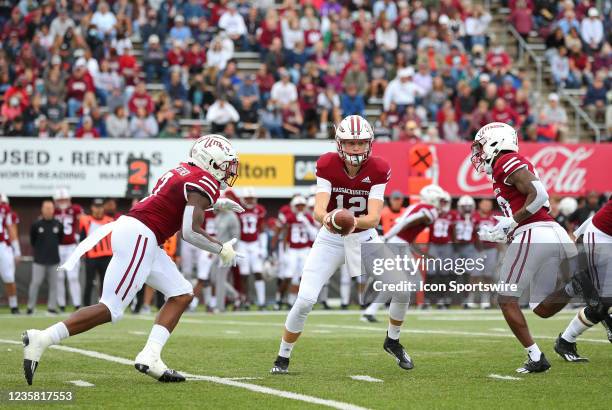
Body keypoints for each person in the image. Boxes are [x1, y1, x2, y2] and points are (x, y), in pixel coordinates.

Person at [22, 135, 244, 385]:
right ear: (210, 161)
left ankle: (150, 356)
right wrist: (221, 248)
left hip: (137, 232)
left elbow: (177, 201)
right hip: (142, 234)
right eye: (225, 164)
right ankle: (42, 338)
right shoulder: (203, 181)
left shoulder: (183, 171)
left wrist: (215, 203)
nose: (227, 171)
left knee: (181, 293)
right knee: (111, 309)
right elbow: (189, 231)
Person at [270, 115, 415, 375]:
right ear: (340, 143)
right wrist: (332, 219)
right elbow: (318, 210)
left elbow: (372, 218)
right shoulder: (327, 163)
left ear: (370, 144)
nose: (356, 148)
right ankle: (282, 356)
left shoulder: (379, 168)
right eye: (350, 143)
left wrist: (349, 221)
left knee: (402, 288)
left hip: (363, 237)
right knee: (304, 300)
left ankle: (392, 340)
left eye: (360, 143)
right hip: (330, 238)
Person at [471, 122, 581, 373]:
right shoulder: (503, 167)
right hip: (549, 232)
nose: (478, 153)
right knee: (540, 308)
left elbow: (540, 194)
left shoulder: (505, 160)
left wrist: (513, 221)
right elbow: (539, 202)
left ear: (495, 142)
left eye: (480, 146)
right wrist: (506, 230)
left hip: (535, 233)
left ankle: (536, 357)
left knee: (506, 299)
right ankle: (578, 284)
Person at [557, 198, 612, 352]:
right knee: (604, 302)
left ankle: (565, 341)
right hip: (602, 237)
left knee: (603, 304)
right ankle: (583, 284)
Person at [27, 200, 63, 315]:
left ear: (53, 210)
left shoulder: (58, 224)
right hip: (39, 260)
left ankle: (51, 307)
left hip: (54, 260)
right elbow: (32, 240)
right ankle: (30, 307)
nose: (48, 210)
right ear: (42, 209)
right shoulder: (36, 224)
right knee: (35, 283)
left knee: (54, 284)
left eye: (50, 208)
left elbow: (60, 239)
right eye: (46, 208)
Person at [236, 187, 268, 310]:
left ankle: (261, 302)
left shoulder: (259, 210)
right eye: (247, 198)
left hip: (255, 244)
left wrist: (263, 247)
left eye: (251, 198)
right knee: (244, 274)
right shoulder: (238, 210)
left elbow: (262, 229)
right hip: (242, 243)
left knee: (258, 272)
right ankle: (245, 300)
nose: (249, 201)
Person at [80, 199, 114, 306]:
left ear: (103, 208)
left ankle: (107, 306)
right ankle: (85, 306)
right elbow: (82, 238)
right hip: (91, 257)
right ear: (92, 208)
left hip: (106, 256)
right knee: (89, 282)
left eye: (100, 207)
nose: (98, 209)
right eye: (96, 207)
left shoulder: (110, 221)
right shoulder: (86, 220)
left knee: (106, 283)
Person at [53, 189, 83, 312]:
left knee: (73, 277)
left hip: (72, 247)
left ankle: (77, 304)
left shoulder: (75, 209)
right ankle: (62, 304)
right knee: (59, 277)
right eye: (60, 200)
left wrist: (78, 235)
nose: (62, 202)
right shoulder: (53, 211)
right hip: (57, 247)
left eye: (64, 199)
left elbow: (82, 222)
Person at [0, 195, 21, 314]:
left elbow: (11, 229)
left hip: (3, 245)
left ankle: (14, 305)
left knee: (8, 277)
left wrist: (17, 250)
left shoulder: (4, 209)